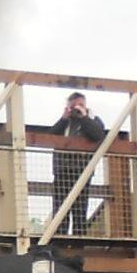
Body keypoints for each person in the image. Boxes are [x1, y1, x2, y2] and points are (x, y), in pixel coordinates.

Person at [48, 92, 107, 232]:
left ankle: (79, 241)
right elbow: (51, 136)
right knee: (60, 210)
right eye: (73, 106)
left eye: (79, 105)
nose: (76, 109)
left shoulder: (93, 119)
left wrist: (84, 117)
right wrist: (63, 119)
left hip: (82, 171)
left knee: (80, 209)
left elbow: (98, 135)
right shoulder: (65, 122)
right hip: (62, 171)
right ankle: (60, 241)